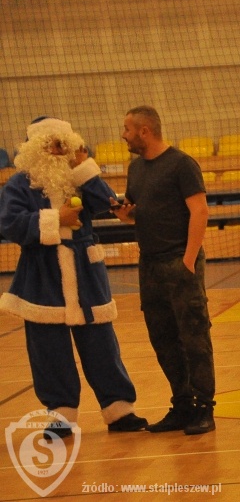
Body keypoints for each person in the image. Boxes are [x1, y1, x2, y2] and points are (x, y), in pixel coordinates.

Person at [0, 117, 148, 438]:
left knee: (102, 345)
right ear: (36, 149)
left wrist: (84, 167)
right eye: (51, 145)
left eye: (63, 145)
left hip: (85, 272)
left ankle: (119, 409)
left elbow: (107, 203)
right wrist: (57, 218)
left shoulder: (78, 178)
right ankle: (61, 417)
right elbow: (10, 224)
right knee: (48, 351)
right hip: (42, 276)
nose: (57, 151)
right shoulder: (19, 185)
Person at [113, 105, 216, 435]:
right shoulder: (135, 169)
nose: (123, 135)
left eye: (127, 129)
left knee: (194, 337)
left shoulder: (182, 164)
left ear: (144, 131)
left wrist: (188, 260)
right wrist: (125, 215)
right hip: (150, 266)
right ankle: (182, 405)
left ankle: (204, 408)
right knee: (163, 339)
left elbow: (199, 212)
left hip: (179, 262)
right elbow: (138, 212)